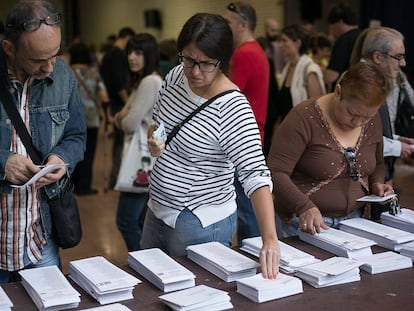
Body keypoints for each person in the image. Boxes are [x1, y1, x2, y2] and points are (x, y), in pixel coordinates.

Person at [142, 13, 280, 279]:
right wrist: (154, 139)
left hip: (198, 220)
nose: (194, 71)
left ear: (223, 61)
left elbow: (256, 175)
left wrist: (270, 239)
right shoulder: (174, 76)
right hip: (156, 207)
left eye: (205, 64)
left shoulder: (232, 107)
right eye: (189, 59)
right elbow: (157, 122)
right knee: (151, 289)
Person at [0, 0, 86, 283]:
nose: (50, 67)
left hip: (40, 236)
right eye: (38, 60)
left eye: (55, 55)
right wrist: (3, 162)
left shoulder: (63, 75)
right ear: (9, 48)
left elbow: (76, 135)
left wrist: (62, 159)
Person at [267, 62, 394, 238]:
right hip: (303, 223)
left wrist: (377, 184)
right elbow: (275, 172)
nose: (358, 122)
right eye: (352, 113)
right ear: (338, 91)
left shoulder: (373, 120)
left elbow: (378, 162)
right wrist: (303, 206)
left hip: (356, 221)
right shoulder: (303, 119)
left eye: (367, 117)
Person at [222, 1, 270, 245]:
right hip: (252, 135)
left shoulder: (244, 54)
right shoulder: (255, 51)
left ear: (243, 25)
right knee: (247, 207)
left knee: (246, 209)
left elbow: (223, 96)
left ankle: (252, 258)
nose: (223, 27)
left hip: (241, 139)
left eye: (228, 23)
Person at [357, 27, 414, 220]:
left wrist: (397, 139)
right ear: (377, 57)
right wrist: (397, 146)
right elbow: (356, 138)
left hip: (377, 178)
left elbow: (370, 130)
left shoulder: (374, 81)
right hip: (362, 182)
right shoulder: (359, 83)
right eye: (398, 57)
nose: (403, 63)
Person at [113, 33, 162, 251]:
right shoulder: (147, 80)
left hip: (142, 160)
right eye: (130, 52)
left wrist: (120, 118)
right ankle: (147, 262)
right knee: (141, 221)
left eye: (138, 53)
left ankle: (142, 262)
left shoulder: (150, 82)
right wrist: (122, 117)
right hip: (147, 157)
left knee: (126, 221)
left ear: (149, 55)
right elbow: (125, 117)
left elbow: (129, 122)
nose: (132, 57)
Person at [69, 42, 108, 195]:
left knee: (72, 149)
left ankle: (70, 184)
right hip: (91, 118)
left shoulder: (66, 72)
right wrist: (107, 113)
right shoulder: (94, 72)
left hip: (70, 118)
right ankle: (84, 186)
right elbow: (104, 96)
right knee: (88, 152)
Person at [100, 26, 135, 190]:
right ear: (127, 38)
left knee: (119, 143)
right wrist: (130, 103)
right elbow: (120, 83)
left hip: (113, 102)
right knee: (122, 143)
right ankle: (118, 178)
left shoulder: (107, 54)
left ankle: (117, 177)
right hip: (121, 104)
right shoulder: (117, 55)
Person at [278, 24, 326, 121]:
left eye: (284, 41)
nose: (280, 45)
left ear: (297, 43)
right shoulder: (287, 69)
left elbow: (316, 107)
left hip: (304, 127)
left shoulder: (310, 69)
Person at [322, 2, 361, 91]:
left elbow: (330, 76)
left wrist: (318, 69)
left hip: (346, 92)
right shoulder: (364, 35)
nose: (332, 31)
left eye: (332, 27)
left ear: (340, 21)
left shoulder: (343, 41)